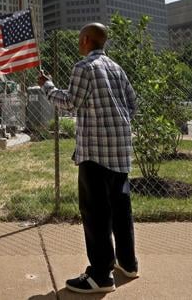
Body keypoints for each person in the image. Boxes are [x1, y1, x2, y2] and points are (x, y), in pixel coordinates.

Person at [38, 23, 138, 294]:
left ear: (85, 40)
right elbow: (132, 102)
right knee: (120, 209)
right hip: (120, 150)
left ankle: (100, 276)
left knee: (95, 212)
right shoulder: (117, 68)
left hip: (95, 151)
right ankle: (128, 263)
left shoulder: (84, 67)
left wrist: (47, 87)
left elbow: (71, 102)